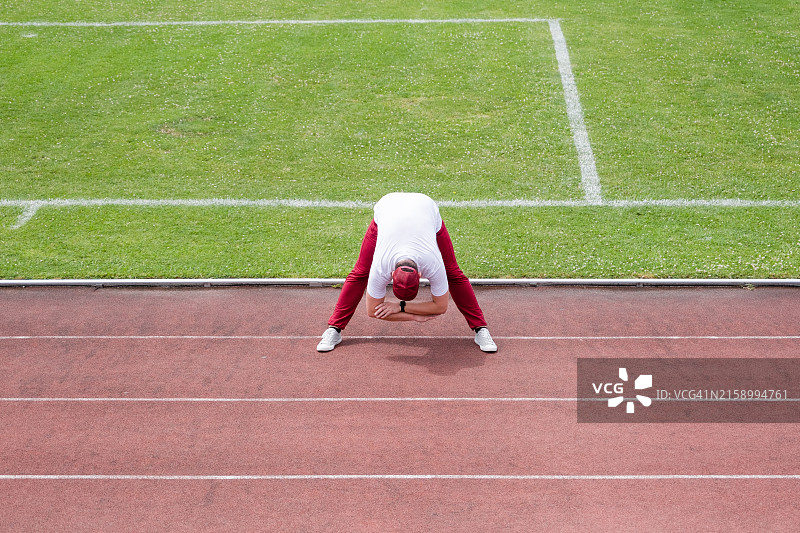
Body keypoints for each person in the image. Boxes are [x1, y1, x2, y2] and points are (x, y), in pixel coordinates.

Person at [317, 192, 497, 353]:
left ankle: (480, 328)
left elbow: (441, 307)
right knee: (360, 273)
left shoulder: (432, 263)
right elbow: (372, 311)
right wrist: (412, 316)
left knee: (453, 273)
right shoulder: (380, 266)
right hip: (387, 208)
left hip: (426, 209)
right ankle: (334, 328)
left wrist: (399, 306)